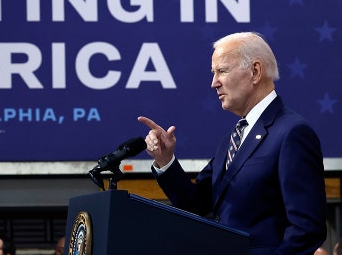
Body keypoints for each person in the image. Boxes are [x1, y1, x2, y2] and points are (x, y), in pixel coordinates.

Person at [138, 32, 326, 254]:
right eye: (214, 73)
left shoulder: (292, 133)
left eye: (222, 71)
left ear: (255, 72)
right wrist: (165, 160)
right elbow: (196, 204)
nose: (213, 83)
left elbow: (307, 228)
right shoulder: (233, 138)